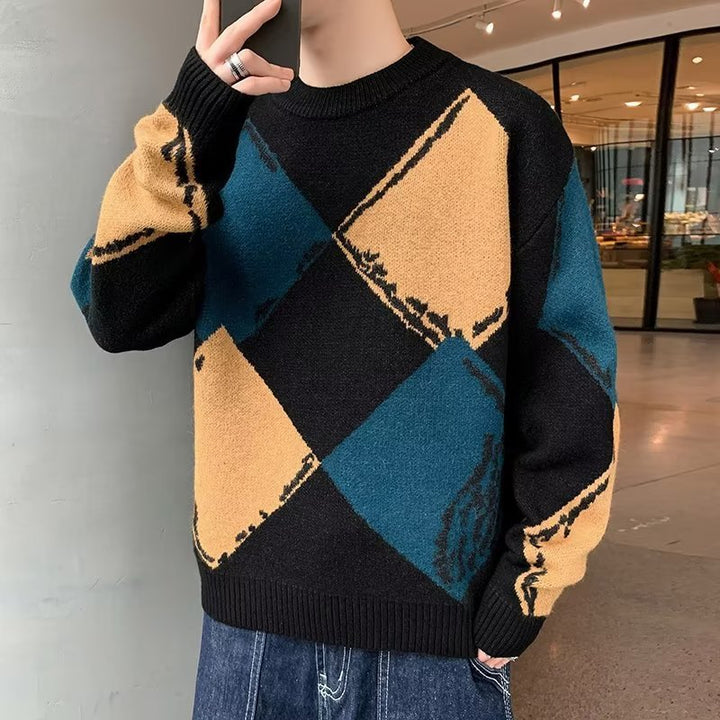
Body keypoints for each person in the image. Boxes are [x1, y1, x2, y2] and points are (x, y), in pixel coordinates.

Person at [68, 0, 621, 717]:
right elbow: (117, 316)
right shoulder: (217, 138)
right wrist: (191, 120)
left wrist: (531, 582)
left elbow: (571, 375)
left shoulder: (503, 126)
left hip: (432, 645)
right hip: (248, 633)